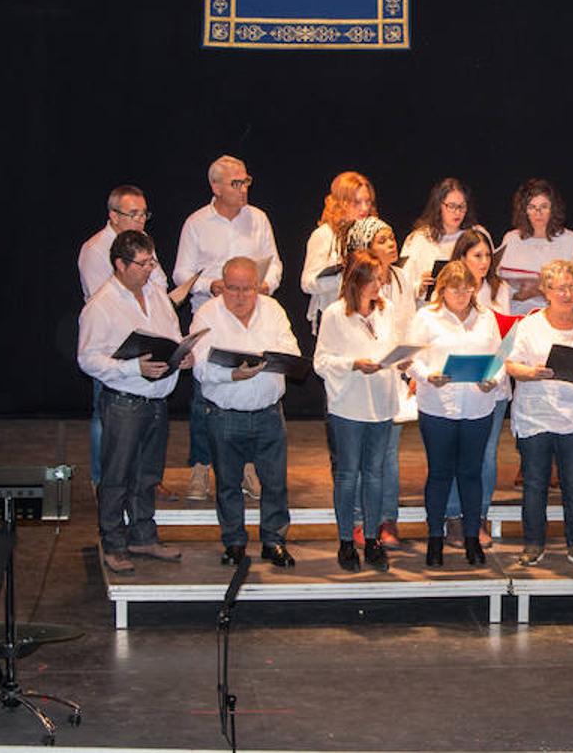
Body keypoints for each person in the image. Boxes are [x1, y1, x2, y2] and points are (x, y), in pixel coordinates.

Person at [77, 230, 192, 574]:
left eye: (151, 261)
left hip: (156, 400)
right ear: (120, 264)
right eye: (143, 264)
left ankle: (143, 534)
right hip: (124, 402)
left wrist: (184, 354)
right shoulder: (101, 305)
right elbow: (87, 359)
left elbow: (172, 334)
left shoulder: (156, 294)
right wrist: (131, 367)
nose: (150, 269)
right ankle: (113, 542)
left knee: (148, 473)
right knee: (117, 475)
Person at [174, 155, 282, 503]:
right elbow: (181, 274)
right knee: (206, 395)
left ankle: (247, 467)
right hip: (214, 319)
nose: (244, 188)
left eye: (246, 181)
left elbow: (275, 263)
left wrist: (266, 284)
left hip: (252, 316)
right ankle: (201, 466)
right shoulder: (196, 223)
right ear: (216, 186)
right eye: (236, 183)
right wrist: (213, 285)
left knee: (254, 387)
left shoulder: (259, 219)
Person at [190, 257, 299, 568]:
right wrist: (231, 375)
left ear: (258, 286)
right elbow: (198, 363)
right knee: (228, 483)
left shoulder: (273, 311)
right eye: (232, 289)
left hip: (268, 413)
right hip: (225, 414)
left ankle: (273, 541)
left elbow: (291, 350)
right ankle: (234, 542)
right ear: (222, 286)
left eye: (247, 289)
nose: (239, 296)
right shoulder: (208, 313)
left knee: (275, 482)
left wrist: (275, 360)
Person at [505, 260, 573, 568]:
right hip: (536, 415)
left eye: (572, 287)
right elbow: (510, 364)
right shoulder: (529, 325)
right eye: (560, 288)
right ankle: (533, 543)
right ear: (545, 291)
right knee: (535, 483)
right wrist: (531, 372)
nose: (567, 293)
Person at [408, 262, 503, 567]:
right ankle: (435, 537)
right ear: (442, 290)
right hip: (437, 405)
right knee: (439, 472)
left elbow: (500, 359)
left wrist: (494, 380)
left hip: (477, 405)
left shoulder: (486, 317)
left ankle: (472, 538)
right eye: (454, 288)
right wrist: (426, 375)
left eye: (467, 288)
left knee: (471, 472)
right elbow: (408, 357)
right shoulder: (426, 317)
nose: (461, 294)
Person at [314, 251, 403, 573]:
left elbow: (392, 347)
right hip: (349, 404)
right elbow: (321, 361)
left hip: (380, 402)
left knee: (375, 473)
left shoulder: (387, 310)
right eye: (374, 279)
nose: (380, 285)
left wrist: (401, 360)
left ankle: (372, 538)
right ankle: (345, 541)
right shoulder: (336, 314)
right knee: (349, 473)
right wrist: (353, 363)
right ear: (357, 281)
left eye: (381, 279)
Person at [78, 184, 166, 489]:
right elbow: (102, 299)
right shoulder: (95, 250)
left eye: (144, 214)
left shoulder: (144, 246)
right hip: (115, 348)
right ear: (113, 215)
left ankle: (139, 482)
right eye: (133, 214)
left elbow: (158, 285)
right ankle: (103, 480)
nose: (140, 220)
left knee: (147, 421)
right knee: (106, 416)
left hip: (145, 341)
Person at [345, 216, 416, 549]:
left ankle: (387, 518)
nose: (392, 244)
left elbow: (410, 325)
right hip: (361, 380)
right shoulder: (352, 282)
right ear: (366, 248)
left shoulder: (402, 278)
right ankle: (360, 520)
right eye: (383, 240)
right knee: (361, 457)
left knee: (388, 454)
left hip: (393, 376)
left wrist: (410, 367)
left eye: (392, 237)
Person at [441, 228, 512, 547]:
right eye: (476, 256)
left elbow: (507, 341)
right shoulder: (448, 290)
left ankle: (478, 515)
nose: (484, 262)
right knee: (456, 453)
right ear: (461, 257)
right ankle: (454, 518)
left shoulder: (500, 289)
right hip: (456, 386)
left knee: (485, 455)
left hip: (490, 384)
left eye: (487, 256)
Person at [299, 171, 375, 334]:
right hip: (334, 320)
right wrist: (342, 277)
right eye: (357, 202)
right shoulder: (324, 235)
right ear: (341, 203)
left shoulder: (371, 234)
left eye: (368, 202)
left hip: (365, 317)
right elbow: (307, 283)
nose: (364, 208)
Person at [498, 178, 573, 316]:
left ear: (553, 209)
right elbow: (497, 285)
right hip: (517, 315)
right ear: (524, 210)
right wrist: (520, 295)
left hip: (555, 316)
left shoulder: (570, 240)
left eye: (544, 207)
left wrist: (539, 291)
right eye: (532, 207)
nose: (538, 213)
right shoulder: (511, 239)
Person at [401, 177, 484, 304]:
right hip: (429, 310)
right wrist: (420, 286)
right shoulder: (419, 239)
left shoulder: (475, 235)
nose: (458, 212)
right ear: (438, 206)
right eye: (451, 206)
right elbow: (401, 285)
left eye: (462, 207)